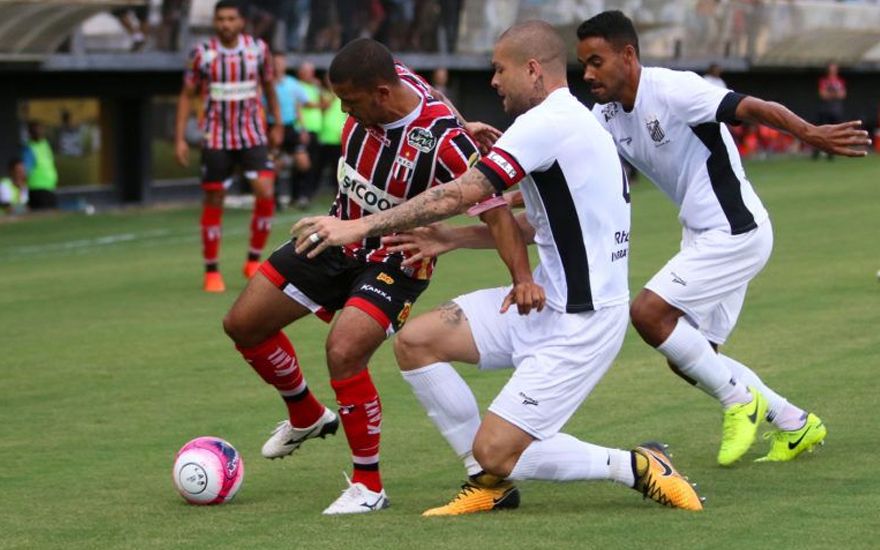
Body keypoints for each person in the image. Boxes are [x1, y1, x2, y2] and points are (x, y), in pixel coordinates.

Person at [291, 21, 704, 515]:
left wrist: (359, 227)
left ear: (532, 70)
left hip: (582, 322)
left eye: (499, 69)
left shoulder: (547, 125)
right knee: (416, 342)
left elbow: (464, 191)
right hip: (544, 302)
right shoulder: (558, 123)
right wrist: (454, 238)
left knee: (499, 451)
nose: (493, 81)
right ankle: (488, 483)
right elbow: (541, 225)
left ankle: (637, 466)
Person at [575, 11, 867, 465]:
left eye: (596, 61)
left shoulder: (673, 89)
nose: (588, 74)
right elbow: (577, 176)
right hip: (702, 233)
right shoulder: (605, 115)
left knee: (650, 315)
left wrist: (811, 134)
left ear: (627, 55)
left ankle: (738, 401)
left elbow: (752, 107)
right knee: (692, 355)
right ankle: (794, 423)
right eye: (584, 64)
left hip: (735, 230)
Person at [222, 37, 495, 515]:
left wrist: (461, 132)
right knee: (243, 324)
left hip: (395, 258)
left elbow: (497, 213)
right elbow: (424, 84)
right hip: (334, 232)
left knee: (343, 351)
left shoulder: (447, 144)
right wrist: (460, 114)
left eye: (351, 101)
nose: (344, 111)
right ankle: (305, 413)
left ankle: (369, 487)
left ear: (383, 93)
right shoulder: (398, 77)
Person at [174, 0, 284, 293]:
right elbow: (187, 94)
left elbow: (270, 87)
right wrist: (180, 137)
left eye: (231, 19)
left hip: (252, 135)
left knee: (265, 190)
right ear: (215, 22)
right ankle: (211, 270)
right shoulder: (203, 54)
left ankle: (253, 260)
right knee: (214, 199)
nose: (225, 24)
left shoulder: (258, 50)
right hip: (216, 138)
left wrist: (278, 124)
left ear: (241, 22)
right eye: (220, 19)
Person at [267, 51, 311, 209]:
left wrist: (303, 128)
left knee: (303, 162)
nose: (278, 66)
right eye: (274, 63)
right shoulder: (266, 84)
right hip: (272, 126)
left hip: (291, 126)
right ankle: (276, 199)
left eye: (280, 62)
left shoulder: (293, 84)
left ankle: (298, 196)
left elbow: (299, 106)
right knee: (274, 164)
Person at [814, 63, 847, 160]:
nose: (833, 70)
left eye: (835, 68)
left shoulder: (840, 81)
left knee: (835, 133)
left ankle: (831, 153)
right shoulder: (824, 81)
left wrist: (831, 94)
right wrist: (835, 94)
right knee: (821, 133)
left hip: (836, 110)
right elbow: (823, 95)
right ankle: (816, 152)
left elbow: (842, 95)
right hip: (825, 110)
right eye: (831, 68)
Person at [23, 121, 58, 211]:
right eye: (35, 131)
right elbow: (25, 170)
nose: (38, 132)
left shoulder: (45, 145)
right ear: (30, 133)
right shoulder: (29, 148)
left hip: (49, 187)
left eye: (39, 130)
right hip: (37, 188)